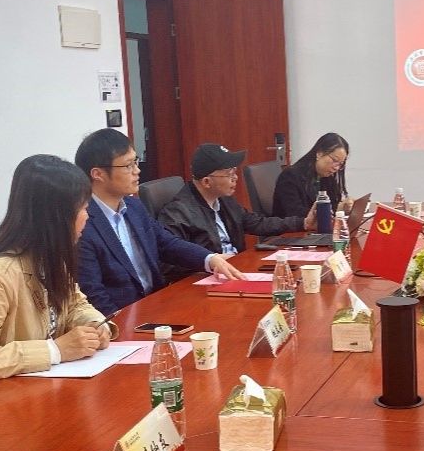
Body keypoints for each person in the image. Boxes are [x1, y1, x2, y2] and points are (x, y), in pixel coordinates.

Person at [0, 154, 113, 396]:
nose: (88, 216)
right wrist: (55, 350)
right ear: (57, 217)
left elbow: (76, 304)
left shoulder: (50, 258)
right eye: (84, 208)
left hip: (33, 391)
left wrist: (94, 324)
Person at [75, 129, 245, 316]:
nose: (137, 170)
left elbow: (166, 243)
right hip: (123, 318)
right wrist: (120, 326)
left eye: (135, 162)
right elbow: (92, 294)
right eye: (128, 165)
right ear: (98, 174)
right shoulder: (81, 223)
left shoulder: (133, 206)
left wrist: (210, 259)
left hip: (157, 304)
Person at [158, 143, 315, 261]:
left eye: (234, 172)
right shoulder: (178, 213)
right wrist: (209, 262)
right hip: (206, 279)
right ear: (206, 182)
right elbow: (172, 260)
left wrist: (303, 223)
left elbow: (257, 223)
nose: (236, 178)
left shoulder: (224, 200)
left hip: (235, 266)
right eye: (229, 174)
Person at [272, 133, 349, 218]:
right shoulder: (290, 176)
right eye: (334, 160)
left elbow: (331, 206)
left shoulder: (327, 177)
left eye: (340, 164)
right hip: (293, 225)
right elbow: (295, 212)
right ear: (319, 153)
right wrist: (323, 213)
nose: (336, 168)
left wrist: (342, 208)